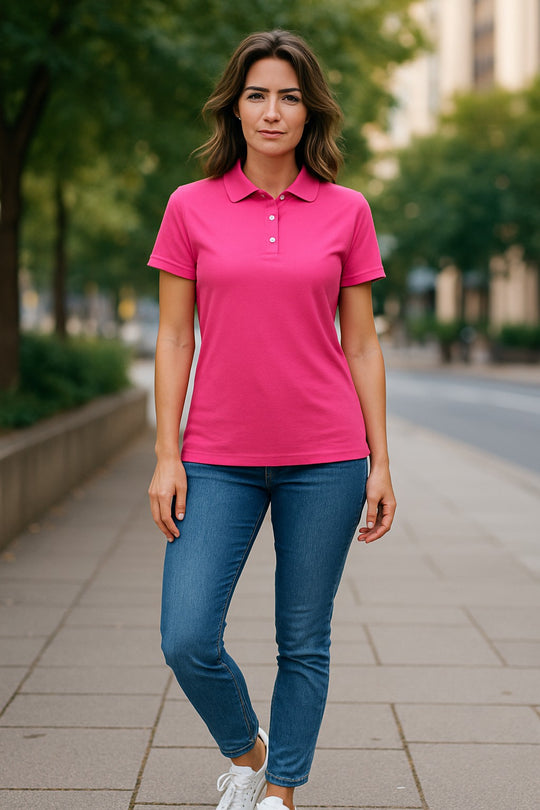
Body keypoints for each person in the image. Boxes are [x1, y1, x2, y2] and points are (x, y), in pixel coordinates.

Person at [148, 29, 396, 810]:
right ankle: (251, 751)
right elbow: (174, 338)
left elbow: (362, 344)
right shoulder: (189, 206)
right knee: (187, 636)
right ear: (235, 106)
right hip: (215, 456)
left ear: (309, 110)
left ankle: (281, 792)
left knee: (304, 639)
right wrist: (166, 454)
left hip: (326, 457)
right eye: (257, 94)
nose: (272, 111)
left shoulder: (348, 211)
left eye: (289, 96)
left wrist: (381, 463)